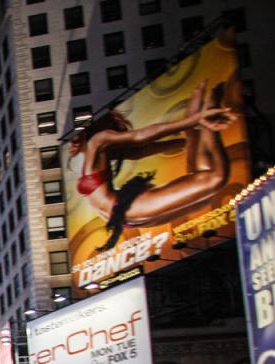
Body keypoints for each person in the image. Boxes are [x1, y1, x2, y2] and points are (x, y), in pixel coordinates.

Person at [68, 83, 238, 253]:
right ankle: (202, 120)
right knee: (205, 192)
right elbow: (139, 151)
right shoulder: (96, 153)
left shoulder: (97, 141)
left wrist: (190, 125)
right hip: (128, 218)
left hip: (130, 210)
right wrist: (185, 135)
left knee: (214, 179)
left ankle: (205, 117)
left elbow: (141, 137)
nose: (71, 143)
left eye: (75, 135)